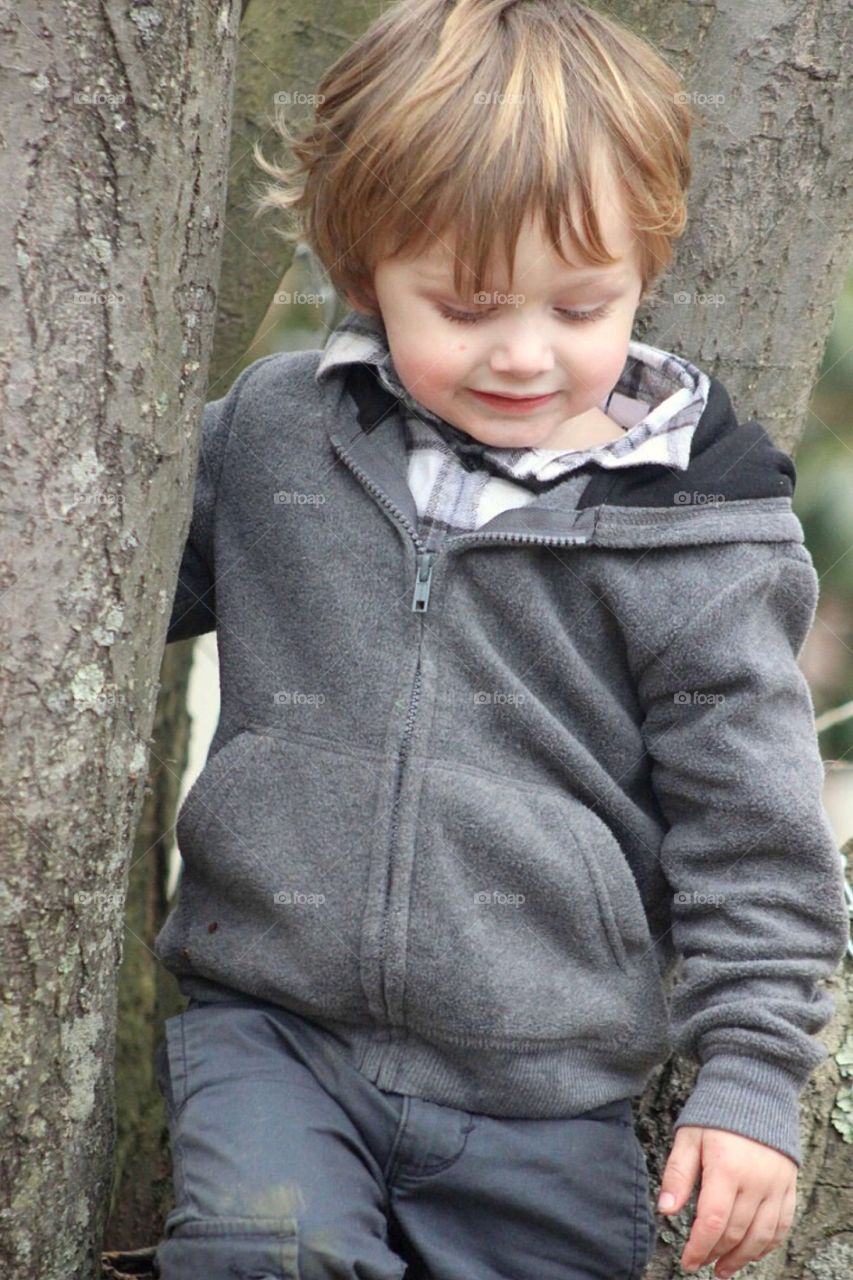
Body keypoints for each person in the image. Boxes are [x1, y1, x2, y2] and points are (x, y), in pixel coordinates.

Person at [151, 2, 850, 1278]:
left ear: (643, 274)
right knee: (263, 1254)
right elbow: (124, 579)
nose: (525, 354)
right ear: (363, 271)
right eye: (466, 306)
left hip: (547, 1093)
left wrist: (749, 1077)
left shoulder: (697, 534)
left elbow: (755, 828)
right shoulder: (273, 439)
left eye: (582, 307)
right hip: (276, 1032)